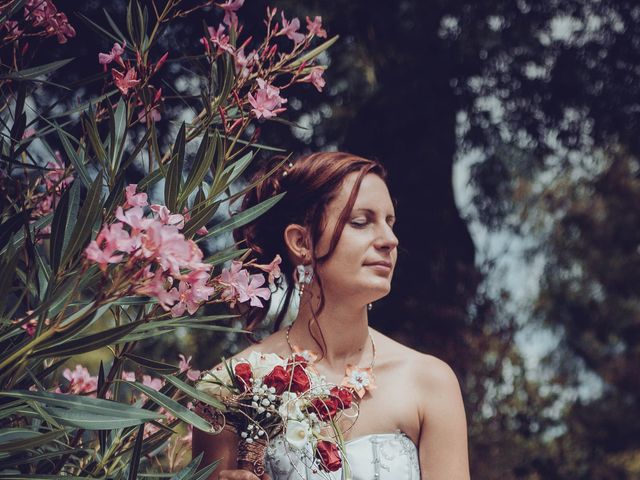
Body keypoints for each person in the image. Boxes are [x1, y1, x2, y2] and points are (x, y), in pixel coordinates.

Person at [192, 152, 470, 479]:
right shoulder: (230, 387)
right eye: (361, 222)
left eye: (390, 222)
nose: (389, 240)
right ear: (301, 242)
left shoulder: (429, 382)